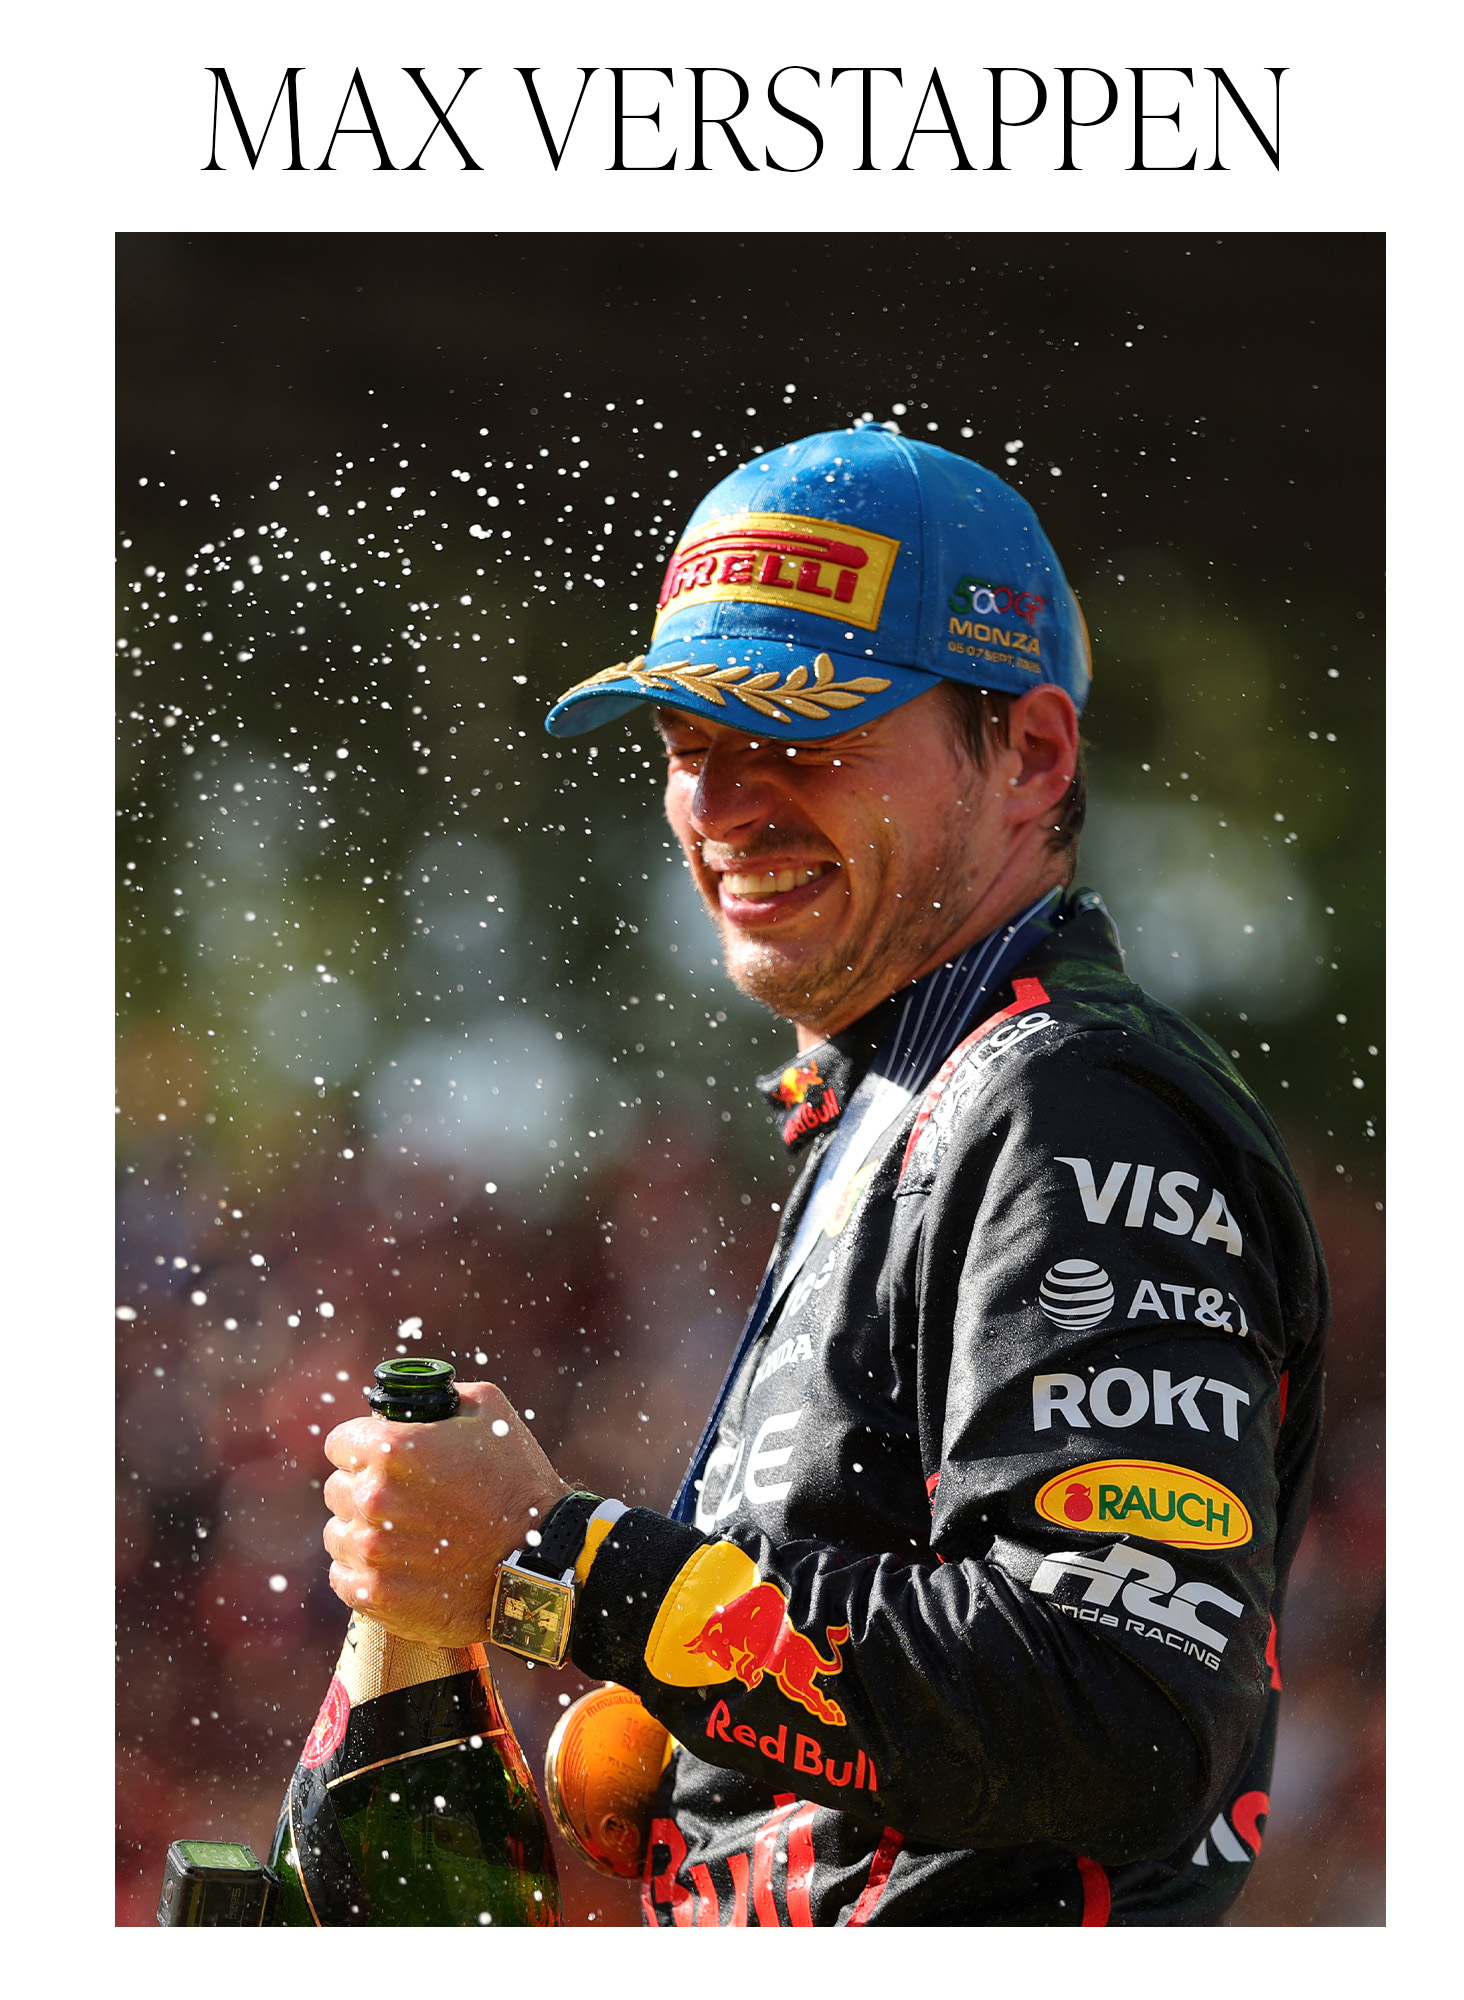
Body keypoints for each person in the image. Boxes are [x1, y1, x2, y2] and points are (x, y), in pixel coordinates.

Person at [322, 427, 1327, 1926]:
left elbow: (1119, 1713)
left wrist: (553, 1560)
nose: (724, 808)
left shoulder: (1070, 1104)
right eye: (687, 746)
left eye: (802, 734)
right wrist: (691, 1748)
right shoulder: (911, 1090)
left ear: (1033, 754)